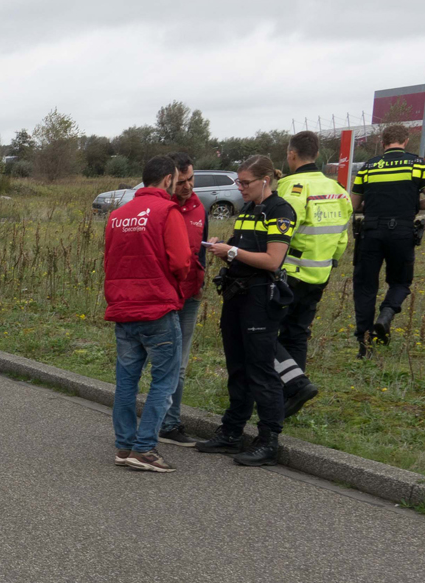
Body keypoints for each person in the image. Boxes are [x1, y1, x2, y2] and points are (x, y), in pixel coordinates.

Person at [196, 154, 295, 467]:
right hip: (236, 295)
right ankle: (232, 431)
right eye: (238, 181)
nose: (239, 187)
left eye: (245, 182)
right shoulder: (248, 209)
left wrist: (233, 250)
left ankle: (268, 440)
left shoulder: (280, 210)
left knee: (261, 370)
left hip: (259, 299)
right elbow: (240, 255)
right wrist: (222, 251)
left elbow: (272, 261)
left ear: (265, 180)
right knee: (237, 366)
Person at [102, 154, 192, 471]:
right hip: (157, 308)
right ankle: (145, 449)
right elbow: (182, 262)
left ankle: (124, 446)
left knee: (126, 382)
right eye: (177, 181)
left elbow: (111, 259)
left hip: (123, 308)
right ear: (168, 180)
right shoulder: (168, 212)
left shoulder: (117, 215)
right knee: (164, 381)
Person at [271, 130, 353, 415]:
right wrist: (330, 262)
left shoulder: (290, 187)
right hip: (320, 274)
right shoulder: (338, 190)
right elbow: (342, 237)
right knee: (296, 335)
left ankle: (294, 386)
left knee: (264, 332)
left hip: (289, 273)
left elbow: (281, 230)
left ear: (291, 154)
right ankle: (290, 396)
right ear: (317, 155)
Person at [351, 122, 425, 355]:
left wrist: (373, 209)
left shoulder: (369, 167)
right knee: (400, 282)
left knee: (365, 286)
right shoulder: (419, 165)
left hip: (371, 231)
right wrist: (409, 208)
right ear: (406, 141)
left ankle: (364, 342)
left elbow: (354, 205)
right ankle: (386, 314)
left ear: (383, 142)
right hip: (401, 231)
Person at [157, 151, 209, 447]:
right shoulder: (158, 209)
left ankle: (171, 423)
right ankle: (155, 419)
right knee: (162, 361)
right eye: (181, 181)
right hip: (163, 298)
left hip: (189, 297)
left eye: (191, 179)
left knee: (180, 364)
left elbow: (199, 248)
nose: (188, 187)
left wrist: (200, 279)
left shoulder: (199, 208)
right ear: (168, 180)